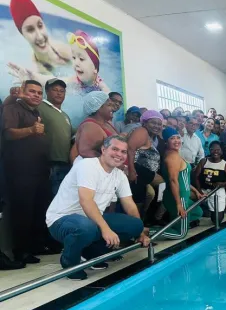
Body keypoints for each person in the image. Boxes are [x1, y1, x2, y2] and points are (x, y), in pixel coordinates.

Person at [46, 136, 149, 280]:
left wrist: (140, 233)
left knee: (135, 225)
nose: (119, 154)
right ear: (103, 149)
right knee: (86, 227)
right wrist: (106, 229)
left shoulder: (119, 175)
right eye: (115, 149)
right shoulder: (88, 166)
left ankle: (89, 254)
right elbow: (86, 201)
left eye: (123, 152)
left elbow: (129, 204)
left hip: (91, 220)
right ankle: (69, 262)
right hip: (62, 220)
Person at [1, 80, 51, 264]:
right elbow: (8, 133)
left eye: (39, 92)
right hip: (21, 171)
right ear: (22, 92)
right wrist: (31, 130)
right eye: (32, 91)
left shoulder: (34, 112)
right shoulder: (13, 107)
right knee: (23, 212)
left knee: (37, 211)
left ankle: (33, 248)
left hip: (38, 170)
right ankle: (20, 252)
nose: (36, 95)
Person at [8, 0, 71, 76]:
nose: (40, 36)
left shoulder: (62, 50)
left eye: (40, 25)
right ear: (23, 35)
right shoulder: (35, 71)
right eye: (30, 30)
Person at [158, 128, 204, 239]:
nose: (176, 140)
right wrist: (178, 204)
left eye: (178, 137)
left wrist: (196, 191)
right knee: (181, 234)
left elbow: (183, 179)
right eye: (172, 138)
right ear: (166, 141)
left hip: (183, 196)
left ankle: (176, 223)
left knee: (198, 211)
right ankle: (148, 232)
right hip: (179, 197)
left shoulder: (174, 154)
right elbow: (173, 181)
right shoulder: (172, 157)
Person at [39, 78, 73, 196]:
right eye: (55, 90)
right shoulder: (39, 107)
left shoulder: (65, 115)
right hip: (49, 163)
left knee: (62, 198)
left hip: (64, 163)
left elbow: (71, 135)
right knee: (51, 198)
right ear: (47, 91)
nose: (59, 93)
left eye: (62, 91)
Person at [126, 110, 163, 217]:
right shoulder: (142, 131)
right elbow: (130, 149)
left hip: (145, 174)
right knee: (163, 185)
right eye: (153, 122)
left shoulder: (153, 137)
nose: (156, 126)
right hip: (138, 171)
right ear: (144, 122)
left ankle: (144, 217)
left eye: (159, 124)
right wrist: (131, 170)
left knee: (149, 194)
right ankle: (150, 217)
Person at [194, 141, 226, 224]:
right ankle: (201, 211)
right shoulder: (204, 161)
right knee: (188, 197)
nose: (215, 152)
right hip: (203, 190)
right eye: (213, 149)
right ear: (209, 150)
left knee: (216, 220)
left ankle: (208, 211)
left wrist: (222, 184)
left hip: (217, 191)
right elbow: (196, 177)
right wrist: (199, 191)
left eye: (218, 149)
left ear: (221, 151)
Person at [72, 91, 117, 162]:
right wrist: (112, 162)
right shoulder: (90, 125)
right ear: (99, 107)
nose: (112, 108)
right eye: (109, 105)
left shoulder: (106, 123)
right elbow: (85, 151)